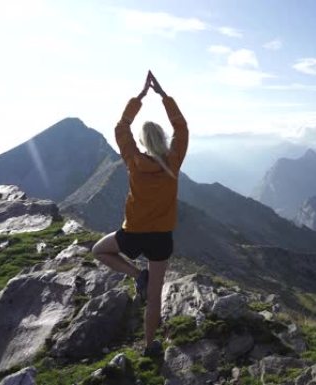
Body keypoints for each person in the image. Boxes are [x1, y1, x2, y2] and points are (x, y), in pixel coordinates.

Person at [91, 71, 188, 357]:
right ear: (163, 140)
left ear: (144, 142)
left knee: (99, 250)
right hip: (161, 239)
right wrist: (163, 96)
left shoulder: (133, 160)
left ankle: (136, 274)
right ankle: (149, 346)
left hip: (132, 232)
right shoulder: (173, 161)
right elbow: (181, 128)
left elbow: (121, 126)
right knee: (155, 297)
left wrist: (140, 98)